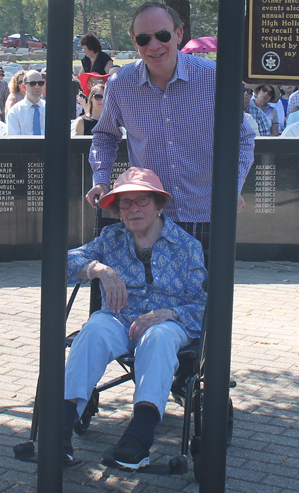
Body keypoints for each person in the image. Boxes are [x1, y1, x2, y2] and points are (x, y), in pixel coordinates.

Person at [86, 2, 255, 262]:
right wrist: (101, 179)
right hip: (150, 217)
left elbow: (242, 138)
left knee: (208, 300)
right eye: (144, 38)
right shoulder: (120, 85)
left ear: (178, 34)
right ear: (134, 41)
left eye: (162, 35)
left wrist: (233, 187)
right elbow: (105, 136)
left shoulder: (216, 78)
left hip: (209, 213)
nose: (154, 45)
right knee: (150, 299)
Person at [63, 167, 207, 469]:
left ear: (158, 206)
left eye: (141, 201)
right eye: (125, 203)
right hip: (119, 319)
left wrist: (170, 314)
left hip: (169, 324)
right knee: (94, 328)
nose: (133, 209)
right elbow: (64, 261)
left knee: (159, 336)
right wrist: (98, 269)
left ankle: (138, 441)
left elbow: (204, 304)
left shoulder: (187, 246)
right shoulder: (110, 237)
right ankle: (59, 430)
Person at [6, 70, 46, 135]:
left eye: (40, 83)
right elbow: (13, 142)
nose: (37, 86)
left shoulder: (51, 110)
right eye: (32, 83)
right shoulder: (15, 112)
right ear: (24, 87)